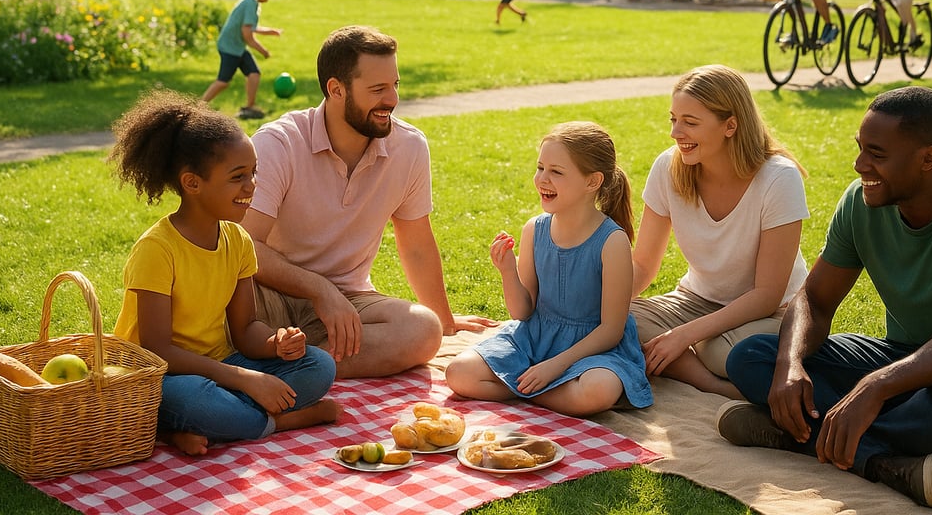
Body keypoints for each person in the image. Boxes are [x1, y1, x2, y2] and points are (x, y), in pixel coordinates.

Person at [719, 86, 932, 510]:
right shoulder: (860, 203)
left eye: (876, 154)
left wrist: (874, 388)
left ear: (929, 159)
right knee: (751, 359)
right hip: (903, 360)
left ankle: (796, 436)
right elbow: (815, 301)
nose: (860, 165)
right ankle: (885, 462)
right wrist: (790, 365)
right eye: (860, 149)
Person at [241, 26, 498, 378]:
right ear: (336, 89)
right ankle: (274, 362)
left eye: (395, 85)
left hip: (348, 304)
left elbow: (417, 243)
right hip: (266, 295)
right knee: (207, 300)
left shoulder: (408, 147)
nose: (391, 99)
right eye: (377, 89)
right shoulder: (278, 144)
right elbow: (244, 246)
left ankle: (294, 367)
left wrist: (445, 320)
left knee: (424, 330)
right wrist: (319, 289)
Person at [109, 90, 338, 457]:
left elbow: (246, 330)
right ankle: (277, 421)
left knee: (319, 365)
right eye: (237, 177)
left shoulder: (237, 240)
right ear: (192, 183)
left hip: (221, 366)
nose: (252, 186)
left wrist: (276, 344)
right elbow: (156, 350)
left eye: (253, 173)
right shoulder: (157, 249)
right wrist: (246, 379)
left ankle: (195, 426)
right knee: (195, 400)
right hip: (157, 377)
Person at [445, 122, 652, 416]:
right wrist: (507, 271)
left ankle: (524, 390)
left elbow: (611, 331)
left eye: (556, 171)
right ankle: (546, 393)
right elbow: (521, 313)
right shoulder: (534, 230)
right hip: (535, 340)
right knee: (459, 373)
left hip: (592, 351)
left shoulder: (612, 241)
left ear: (592, 182)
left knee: (598, 390)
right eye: (540, 167)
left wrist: (555, 366)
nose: (542, 178)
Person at [630, 65, 809, 399]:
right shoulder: (668, 168)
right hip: (695, 300)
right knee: (621, 322)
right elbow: (641, 267)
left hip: (772, 310)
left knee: (722, 354)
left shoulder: (778, 179)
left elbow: (767, 294)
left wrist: (682, 336)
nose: (675, 133)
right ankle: (713, 386)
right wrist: (596, 306)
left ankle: (698, 363)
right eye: (674, 119)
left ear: (730, 125)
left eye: (690, 122)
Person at [201, 0, 282, 120]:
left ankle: (249, 107)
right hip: (230, 47)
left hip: (237, 47)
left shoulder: (251, 1)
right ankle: (199, 106)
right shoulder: (250, 3)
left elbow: (248, 26)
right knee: (223, 82)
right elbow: (247, 35)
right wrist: (262, 50)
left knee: (254, 74)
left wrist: (269, 31)